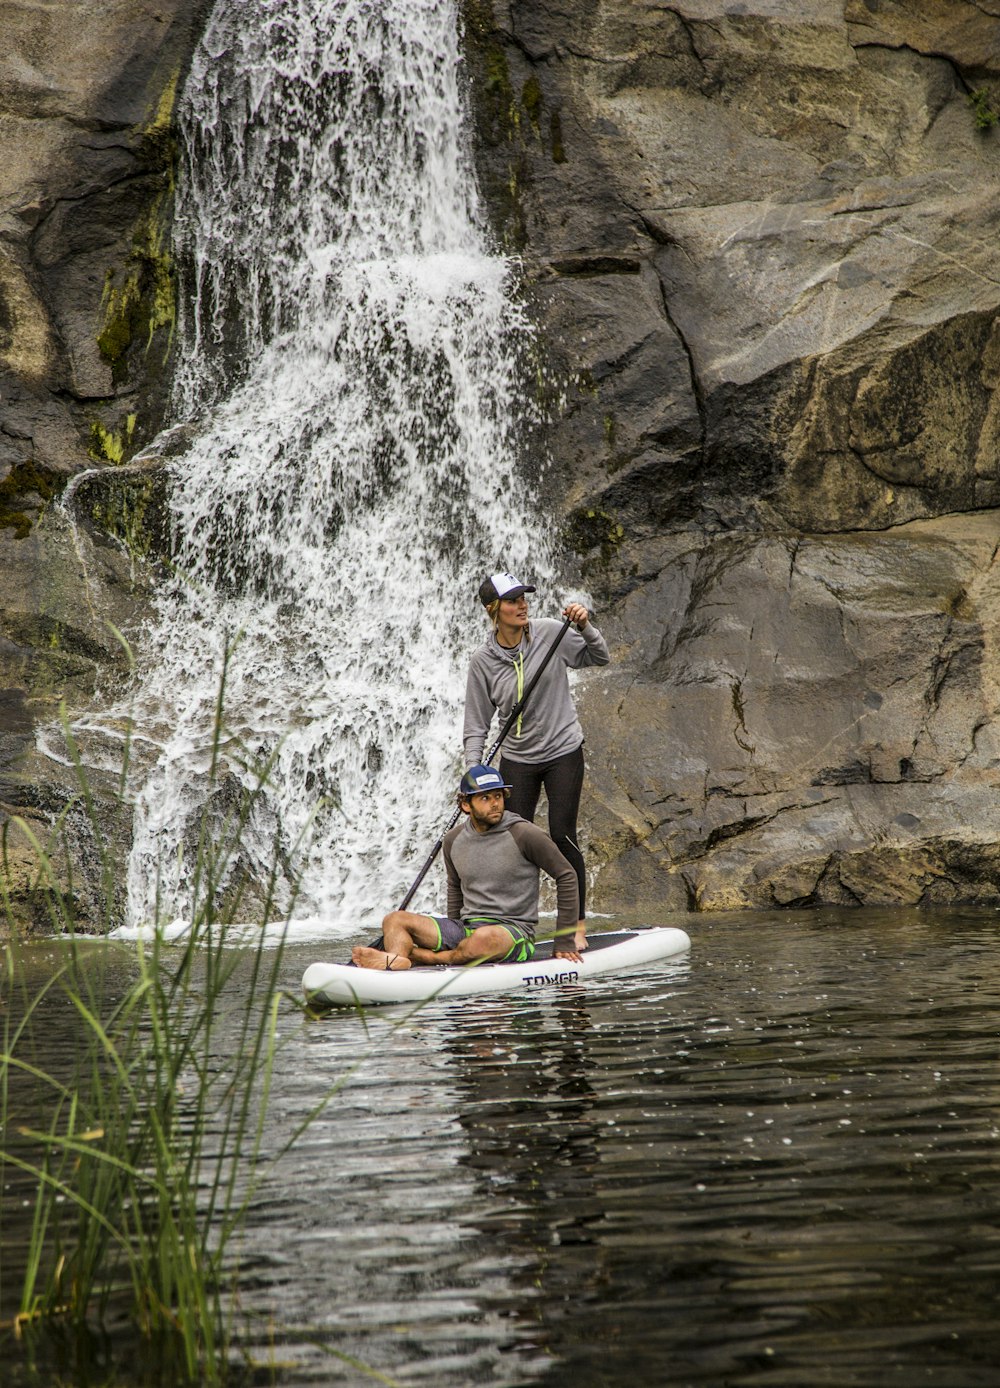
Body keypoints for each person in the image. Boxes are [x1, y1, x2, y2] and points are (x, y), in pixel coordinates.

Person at [462, 570, 609, 953]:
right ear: (494, 610)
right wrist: (474, 775)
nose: (522, 605)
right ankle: (512, 926)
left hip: (563, 751)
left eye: (523, 598)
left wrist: (585, 626)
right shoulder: (482, 662)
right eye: (512, 601)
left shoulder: (549, 632)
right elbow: (476, 725)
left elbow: (599, 657)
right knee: (512, 842)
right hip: (518, 761)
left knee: (561, 835)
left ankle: (574, 927)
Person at [351, 763, 582, 970]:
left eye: (498, 796)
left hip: (512, 932)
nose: (495, 804)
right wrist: (453, 930)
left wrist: (564, 939)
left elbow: (566, 875)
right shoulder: (453, 839)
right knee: (394, 919)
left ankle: (425, 957)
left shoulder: (524, 833)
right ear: (465, 804)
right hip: (466, 929)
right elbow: (454, 886)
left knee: (481, 939)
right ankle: (396, 961)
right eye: (485, 798)